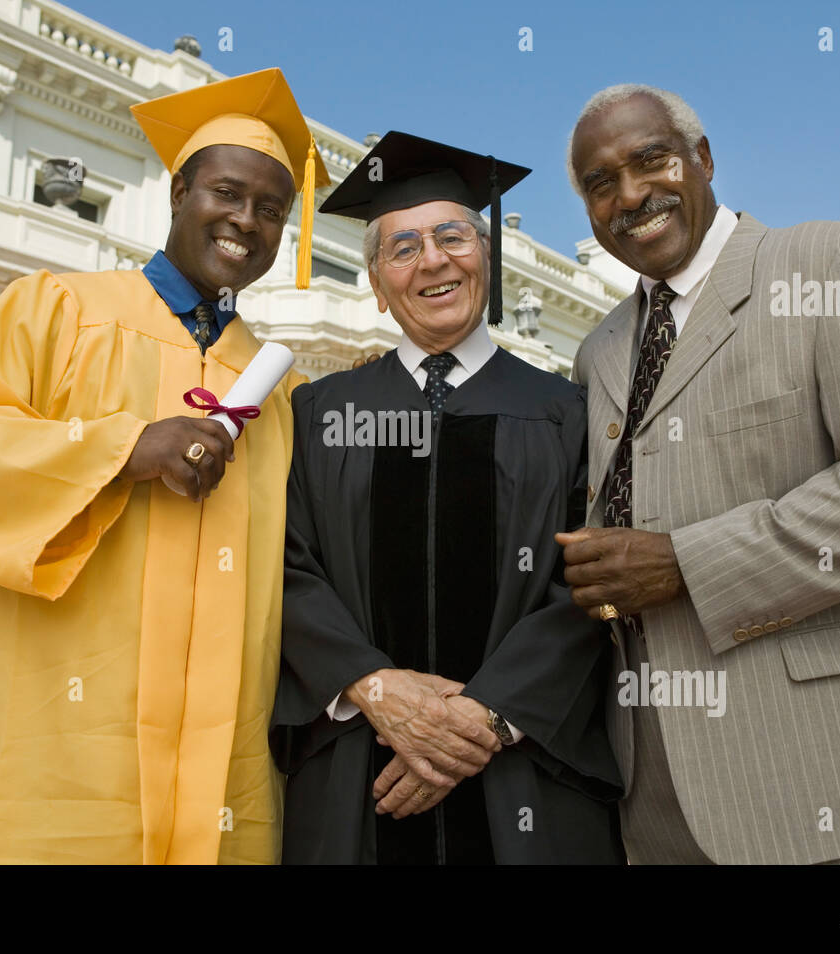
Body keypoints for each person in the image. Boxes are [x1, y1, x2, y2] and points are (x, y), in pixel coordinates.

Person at [0, 68, 329, 864]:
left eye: (272, 210)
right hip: (51, 750)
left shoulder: (283, 394)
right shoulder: (56, 310)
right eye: (227, 193)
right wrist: (123, 447)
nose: (247, 221)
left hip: (220, 765)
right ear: (178, 192)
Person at [560, 83, 840, 864]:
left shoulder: (830, 262)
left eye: (651, 161)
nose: (631, 194)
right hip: (654, 800)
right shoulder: (601, 349)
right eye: (599, 183)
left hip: (835, 787)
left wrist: (687, 562)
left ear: (703, 159)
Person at [271, 132, 623, 865]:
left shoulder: (566, 411)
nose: (432, 259)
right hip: (355, 766)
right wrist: (370, 688)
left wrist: (482, 719)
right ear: (376, 283)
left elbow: (589, 580)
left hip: (525, 768)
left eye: (452, 236)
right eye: (402, 247)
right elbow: (286, 569)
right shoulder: (317, 412)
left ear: (485, 257)